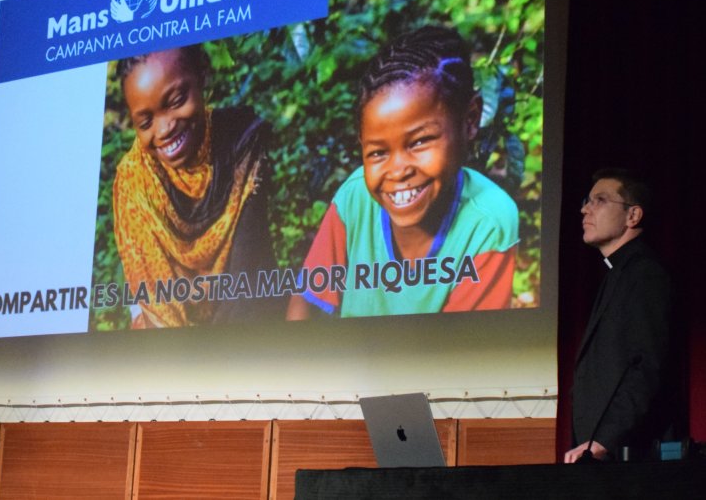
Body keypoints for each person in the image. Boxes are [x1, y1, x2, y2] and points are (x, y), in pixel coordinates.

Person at [287, 26, 518, 319]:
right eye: (378, 152)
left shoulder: (488, 221)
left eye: (420, 141)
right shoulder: (355, 195)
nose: (397, 171)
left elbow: (463, 352)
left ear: (470, 119)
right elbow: (305, 304)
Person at [111, 45, 283, 327]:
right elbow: (154, 301)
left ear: (203, 73)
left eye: (176, 100)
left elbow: (249, 278)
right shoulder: (134, 183)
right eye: (145, 122)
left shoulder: (240, 143)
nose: (165, 129)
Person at [564, 168, 677, 462]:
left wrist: (604, 440)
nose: (584, 209)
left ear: (633, 216)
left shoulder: (645, 274)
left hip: (629, 457)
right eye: (586, 200)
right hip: (603, 454)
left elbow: (647, 367)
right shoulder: (618, 273)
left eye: (599, 200)